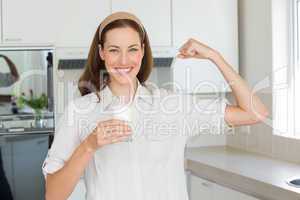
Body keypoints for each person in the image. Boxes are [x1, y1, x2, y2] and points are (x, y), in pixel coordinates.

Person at [43, 12, 269, 200]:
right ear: (102, 52)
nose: (123, 60)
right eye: (114, 50)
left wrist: (214, 56)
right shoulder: (80, 111)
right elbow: (53, 194)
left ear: (142, 51)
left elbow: (255, 113)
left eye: (132, 49)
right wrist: (88, 146)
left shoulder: (172, 105)